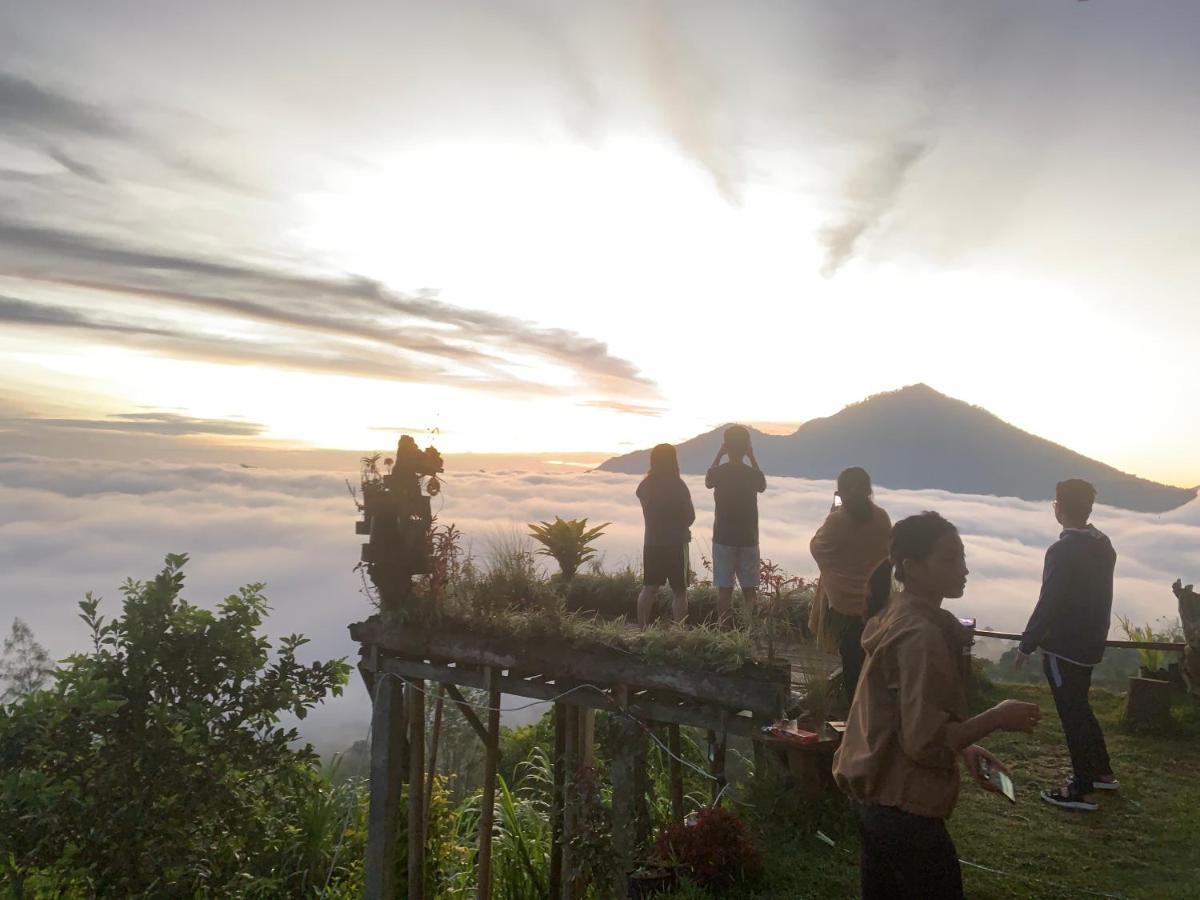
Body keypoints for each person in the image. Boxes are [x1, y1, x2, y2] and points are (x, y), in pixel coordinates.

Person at [833, 512, 1041, 900]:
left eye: (962, 557)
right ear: (912, 568)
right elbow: (923, 743)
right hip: (903, 807)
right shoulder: (921, 636)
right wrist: (997, 717)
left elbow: (905, 715)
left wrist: (965, 746)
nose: (963, 569)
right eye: (949, 559)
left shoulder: (896, 612)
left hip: (873, 798)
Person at [1015, 478, 1118, 811]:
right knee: (1081, 707)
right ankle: (1101, 772)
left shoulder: (1063, 550)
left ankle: (1081, 788)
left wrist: (1027, 644)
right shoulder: (1103, 544)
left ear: (1059, 508)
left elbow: (1050, 601)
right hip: (1090, 643)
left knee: (1071, 712)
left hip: (1064, 647)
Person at [809, 467, 892, 704]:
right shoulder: (882, 517)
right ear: (869, 490)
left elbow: (818, 549)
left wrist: (829, 519)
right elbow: (887, 554)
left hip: (844, 607)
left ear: (841, 493)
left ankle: (855, 718)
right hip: (877, 605)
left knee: (852, 666)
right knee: (872, 664)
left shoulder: (837, 520)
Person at [704, 425, 766, 624]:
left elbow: (708, 480)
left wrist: (719, 454)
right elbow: (762, 485)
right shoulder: (750, 473)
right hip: (748, 538)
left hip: (723, 537)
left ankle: (725, 631)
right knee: (749, 590)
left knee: (725, 590)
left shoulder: (720, 472)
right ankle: (749, 630)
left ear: (726, 447)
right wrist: (752, 457)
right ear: (747, 446)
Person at [636, 444, 696, 628]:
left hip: (652, 543)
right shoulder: (678, 485)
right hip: (677, 543)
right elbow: (690, 516)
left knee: (649, 588)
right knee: (679, 591)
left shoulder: (645, 485)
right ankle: (679, 633)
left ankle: (643, 630)